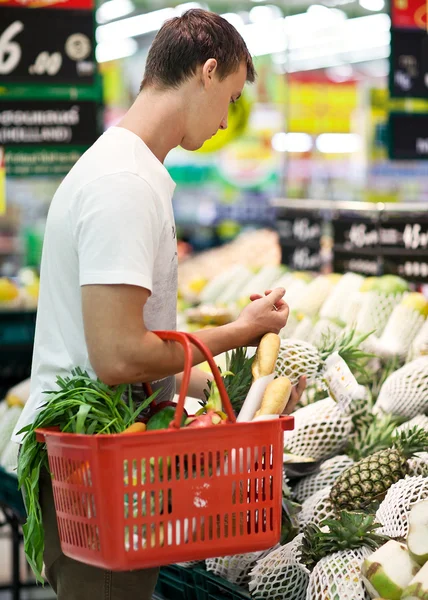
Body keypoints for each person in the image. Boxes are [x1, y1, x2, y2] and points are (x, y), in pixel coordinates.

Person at [12, 8, 305, 600]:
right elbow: (119, 356)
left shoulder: (130, 171)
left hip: (106, 460)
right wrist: (237, 331)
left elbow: (124, 357)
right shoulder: (123, 183)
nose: (226, 122)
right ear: (207, 70)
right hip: (89, 465)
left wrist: (235, 386)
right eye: (228, 98)